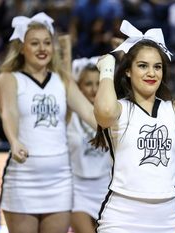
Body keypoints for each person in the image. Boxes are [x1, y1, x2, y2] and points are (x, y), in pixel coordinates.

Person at [92, 20, 175, 233]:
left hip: (167, 218)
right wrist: (107, 68)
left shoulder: (173, 109)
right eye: (142, 66)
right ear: (127, 72)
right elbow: (104, 113)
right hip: (122, 217)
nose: (151, 73)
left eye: (157, 67)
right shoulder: (119, 109)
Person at [0, 12, 97, 233]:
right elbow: (9, 113)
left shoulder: (62, 79)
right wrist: (14, 141)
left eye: (47, 43)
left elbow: (90, 113)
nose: (42, 49)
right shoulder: (9, 79)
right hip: (23, 177)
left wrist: (118, 129)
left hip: (60, 179)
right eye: (35, 43)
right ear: (22, 47)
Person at [67, 58, 112, 233]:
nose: (94, 89)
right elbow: (65, 82)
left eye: (98, 83)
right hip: (77, 189)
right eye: (88, 84)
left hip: (107, 188)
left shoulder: (111, 114)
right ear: (78, 88)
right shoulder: (69, 115)